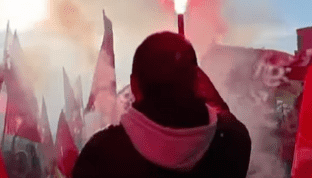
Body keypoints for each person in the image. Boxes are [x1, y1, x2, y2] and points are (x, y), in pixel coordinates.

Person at [73, 31, 252, 178]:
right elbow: (227, 123)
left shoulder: (102, 155)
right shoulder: (232, 142)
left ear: (135, 86)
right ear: (197, 81)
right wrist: (213, 99)